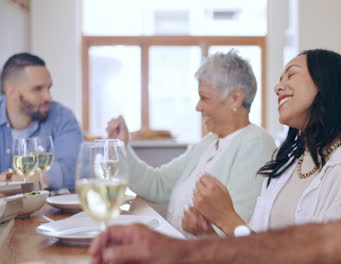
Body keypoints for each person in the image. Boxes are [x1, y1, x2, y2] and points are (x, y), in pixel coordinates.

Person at [91, 0, 341, 263]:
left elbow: (324, 251)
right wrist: (189, 246)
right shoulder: (288, 162)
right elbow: (322, 243)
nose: (277, 87)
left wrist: (221, 225)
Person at [185, 49, 341, 236]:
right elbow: (254, 248)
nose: (277, 87)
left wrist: (228, 219)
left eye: (291, 75)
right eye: (280, 79)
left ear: (325, 83)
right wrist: (210, 233)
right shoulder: (287, 164)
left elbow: (323, 256)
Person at [106, 51, 276, 236]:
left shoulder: (256, 144)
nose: (198, 106)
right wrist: (122, 146)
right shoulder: (209, 143)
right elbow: (158, 184)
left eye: (205, 98)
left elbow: (235, 230)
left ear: (235, 98)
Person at [0, 53, 82, 191]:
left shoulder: (63, 117)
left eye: (48, 88)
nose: (48, 97)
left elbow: (72, 170)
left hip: (48, 211)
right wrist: (39, 178)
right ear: (11, 92)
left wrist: (10, 179)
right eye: (38, 89)